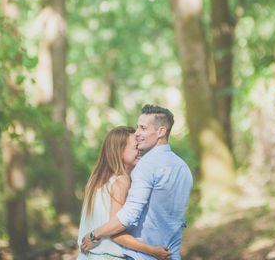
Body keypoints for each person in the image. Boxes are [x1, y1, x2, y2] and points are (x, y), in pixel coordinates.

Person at [81, 105, 193, 260]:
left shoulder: (145, 166)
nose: (138, 133)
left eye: (143, 128)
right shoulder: (184, 168)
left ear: (161, 131)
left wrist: (94, 234)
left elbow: (127, 216)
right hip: (170, 255)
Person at [77, 125, 171, 260]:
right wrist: (153, 251)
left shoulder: (95, 181)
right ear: (120, 151)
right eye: (135, 146)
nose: (140, 149)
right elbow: (117, 233)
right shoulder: (122, 181)